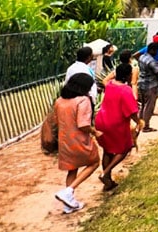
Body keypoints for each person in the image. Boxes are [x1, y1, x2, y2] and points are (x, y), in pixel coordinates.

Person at [53, 73, 102, 214]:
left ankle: (68, 204)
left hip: (64, 140)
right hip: (79, 139)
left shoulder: (59, 101)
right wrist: (95, 132)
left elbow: (56, 121)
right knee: (94, 162)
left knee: (72, 168)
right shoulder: (83, 100)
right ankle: (68, 191)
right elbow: (83, 124)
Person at [94, 63, 142, 191]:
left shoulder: (109, 84)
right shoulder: (125, 90)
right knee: (124, 148)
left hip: (101, 120)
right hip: (115, 123)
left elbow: (107, 79)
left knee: (108, 149)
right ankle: (105, 174)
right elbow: (132, 111)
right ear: (128, 75)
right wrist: (138, 121)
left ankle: (108, 182)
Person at [137, 42, 158, 132]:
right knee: (149, 106)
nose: (157, 52)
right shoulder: (151, 60)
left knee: (143, 105)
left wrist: (157, 63)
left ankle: (139, 124)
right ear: (152, 50)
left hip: (141, 83)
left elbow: (149, 66)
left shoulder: (142, 57)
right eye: (156, 50)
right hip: (150, 85)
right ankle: (146, 126)